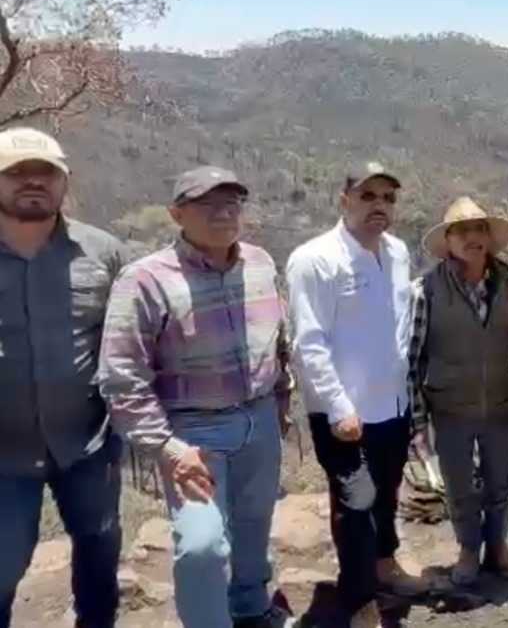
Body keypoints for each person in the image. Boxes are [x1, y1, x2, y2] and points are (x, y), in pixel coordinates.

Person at [97, 167, 293, 628]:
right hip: (192, 431)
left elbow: (278, 342)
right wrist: (166, 447)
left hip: (259, 419)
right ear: (176, 213)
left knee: (253, 527)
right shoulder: (145, 280)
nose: (223, 214)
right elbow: (121, 376)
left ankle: (251, 608)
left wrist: (279, 405)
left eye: (232, 204)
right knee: (202, 543)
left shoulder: (261, 263)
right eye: (207, 205)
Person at [286, 162, 430, 625]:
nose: (379, 206)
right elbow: (308, 342)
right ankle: (359, 598)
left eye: (388, 198)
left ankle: (385, 566)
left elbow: (401, 325)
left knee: (386, 494)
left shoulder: (398, 253)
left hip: (392, 403)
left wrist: (409, 393)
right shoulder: (315, 260)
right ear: (344, 198)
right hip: (343, 414)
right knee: (357, 504)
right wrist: (338, 406)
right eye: (369, 196)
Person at [0, 128, 125, 628]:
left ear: (64, 182)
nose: (33, 182)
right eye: (15, 172)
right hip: (3, 457)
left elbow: (128, 341)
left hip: (89, 446)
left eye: (45, 172)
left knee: (99, 554)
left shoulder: (103, 252)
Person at [407, 196, 508, 587]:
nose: (472, 238)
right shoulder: (425, 289)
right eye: (462, 231)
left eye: (479, 229)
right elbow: (412, 357)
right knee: (459, 485)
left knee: (501, 481)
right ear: (449, 241)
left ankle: (497, 548)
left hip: (499, 401)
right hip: (450, 404)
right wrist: (417, 419)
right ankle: (467, 549)